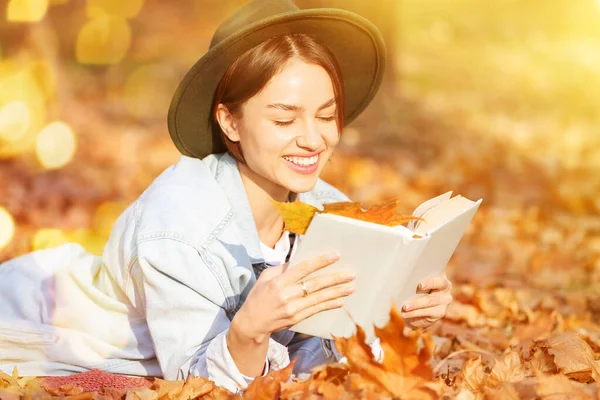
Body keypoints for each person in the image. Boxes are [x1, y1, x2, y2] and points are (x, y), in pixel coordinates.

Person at [0, 0, 453, 394]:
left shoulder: (322, 204)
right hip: (40, 319)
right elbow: (197, 387)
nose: (314, 140)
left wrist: (395, 314)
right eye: (284, 120)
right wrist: (249, 331)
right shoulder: (176, 230)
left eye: (327, 116)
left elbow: (322, 353)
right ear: (230, 123)